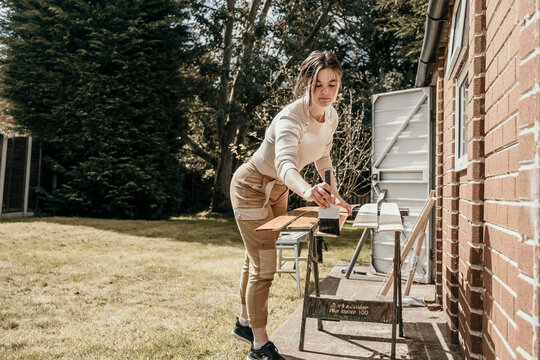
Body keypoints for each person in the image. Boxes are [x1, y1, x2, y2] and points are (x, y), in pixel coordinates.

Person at [230, 50, 352, 360]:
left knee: (255, 257)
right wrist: (309, 191)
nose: (325, 92)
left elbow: (323, 159)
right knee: (265, 265)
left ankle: (245, 322)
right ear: (306, 85)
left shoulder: (332, 116)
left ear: (340, 84)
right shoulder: (290, 119)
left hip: (279, 190)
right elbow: (285, 164)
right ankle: (259, 346)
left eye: (332, 84)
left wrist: (335, 196)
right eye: (318, 85)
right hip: (251, 186)